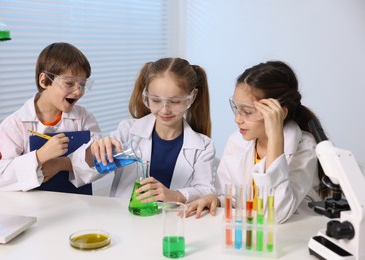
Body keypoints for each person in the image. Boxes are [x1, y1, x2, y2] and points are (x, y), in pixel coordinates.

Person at [186, 60, 328, 223]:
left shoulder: (305, 147)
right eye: (237, 109)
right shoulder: (236, 141)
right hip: (251, 234)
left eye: (247, 112)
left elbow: (275, 214)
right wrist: (216, 200)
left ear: (277, 113)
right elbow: (230, 195)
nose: (237, 119)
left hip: (291, 237)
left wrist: (275, 137)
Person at [82, 57, 216, 203]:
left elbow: (206, 190)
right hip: (126, 220)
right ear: (146, 95)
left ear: (192, 97)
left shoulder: (203, 146)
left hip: (172, 222)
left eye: (175, 101)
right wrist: (95, 151)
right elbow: (85, 171)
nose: (165, 110)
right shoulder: (127, 131)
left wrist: (176, 195)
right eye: (156, 100)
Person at [0, 42, 102, 194]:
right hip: (34, 209)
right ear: (44, 81)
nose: (78, 92)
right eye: (69, 83)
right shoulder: (15, 124)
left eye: (83, 84)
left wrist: (62, 163)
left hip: (78, 204)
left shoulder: (84, 118)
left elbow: (100, 164)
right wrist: (39, 156)